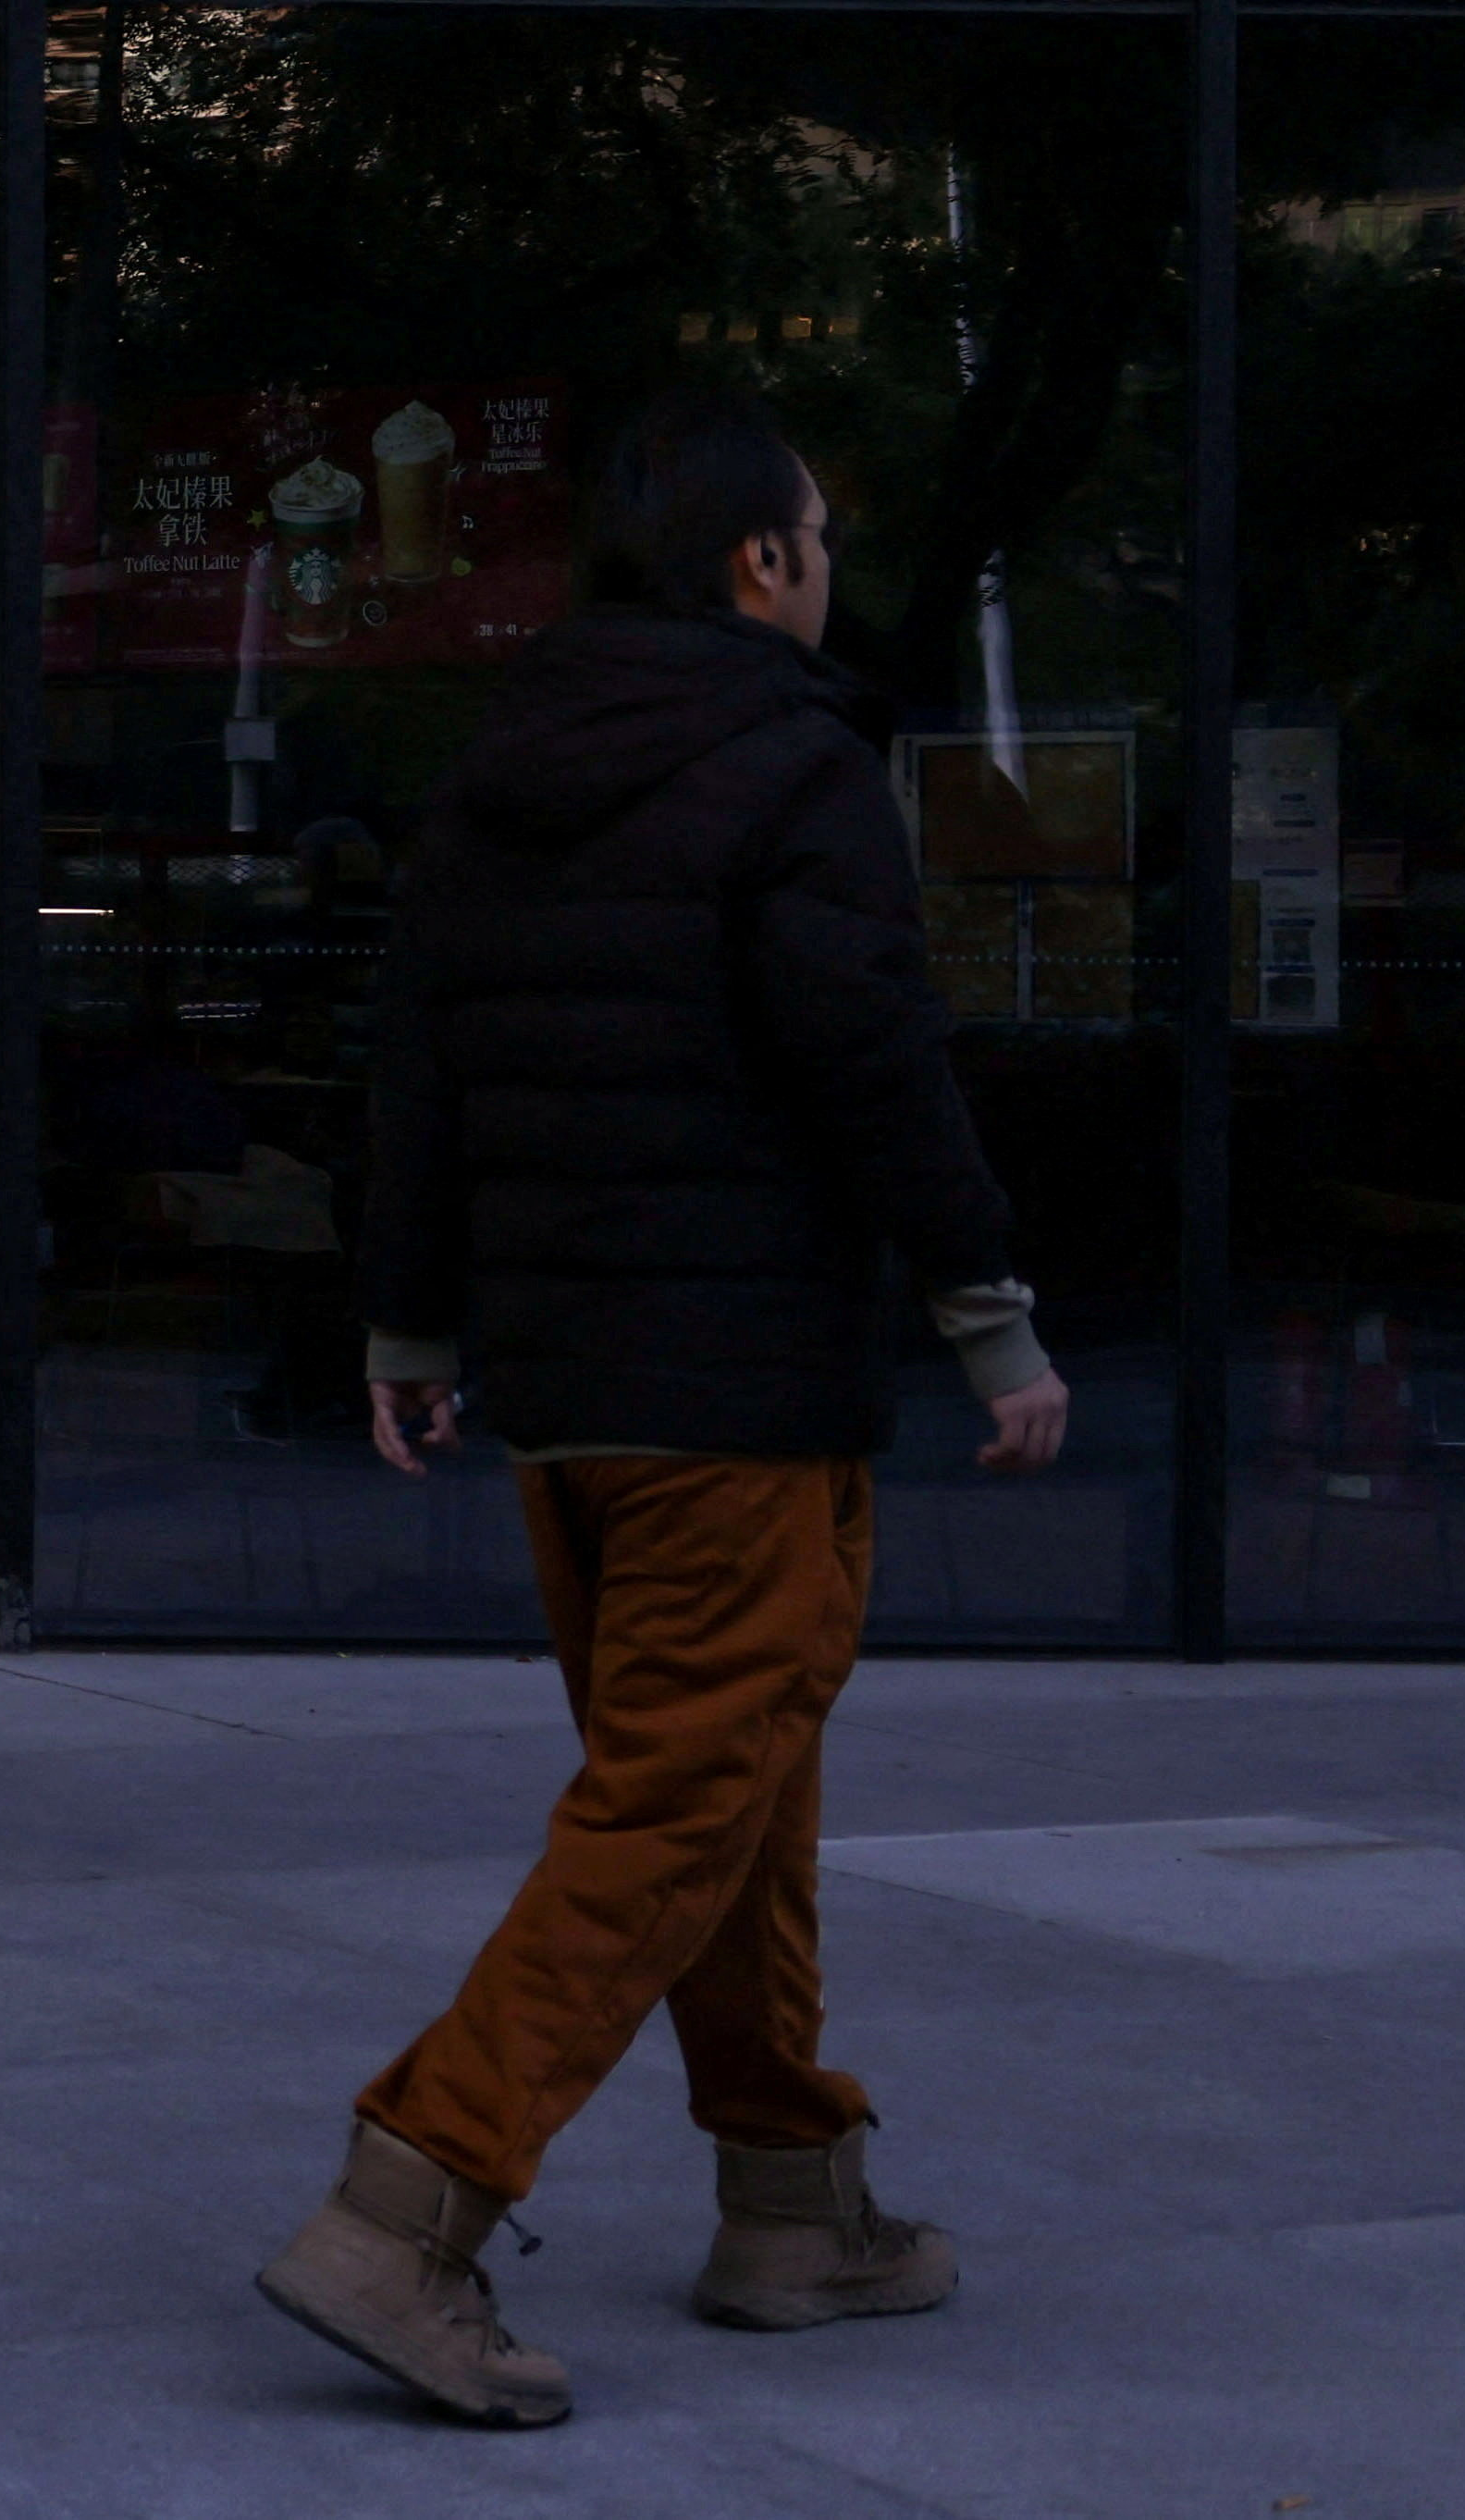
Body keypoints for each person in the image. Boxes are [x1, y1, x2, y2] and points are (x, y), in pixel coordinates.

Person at [255, 389, 1066, 2428]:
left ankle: (796, 2205)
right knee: (672, 1810)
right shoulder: (797, 771)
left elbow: (419, 1076)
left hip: (571, 1409)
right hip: (740, 1393)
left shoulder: (497, 775)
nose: (826, 570)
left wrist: (414, 1333)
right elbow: (880, 1059)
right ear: (757, 567)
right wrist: (994, 1318)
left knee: (729, 1791)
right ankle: (408, 2203)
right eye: (814, 540)